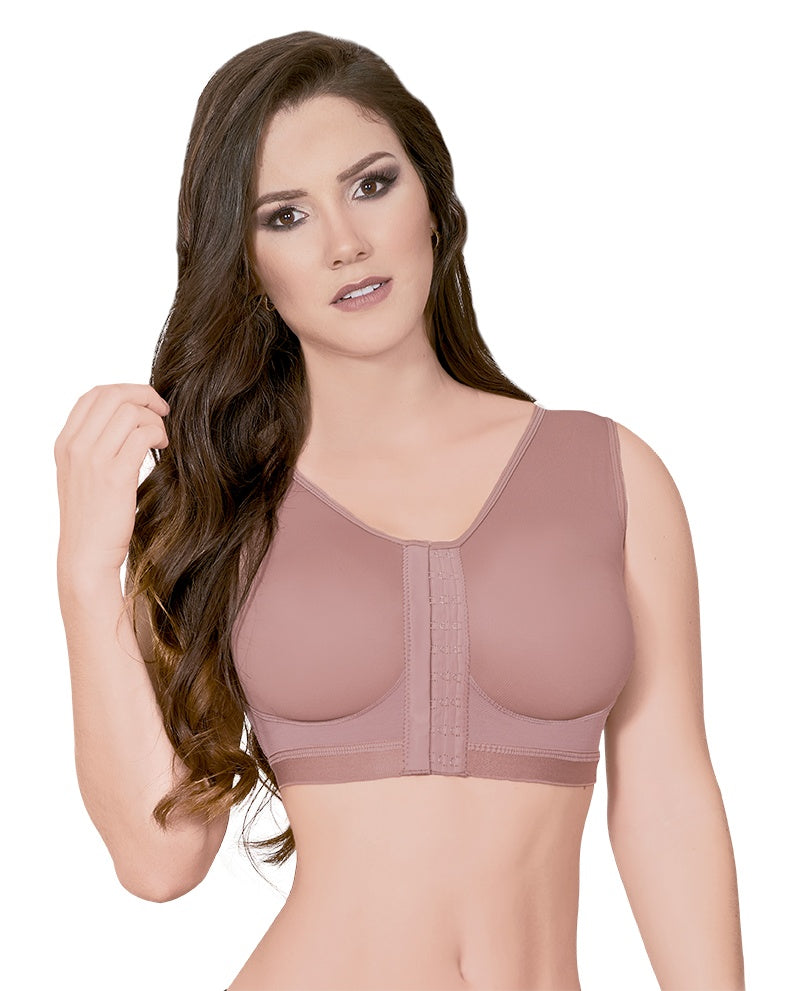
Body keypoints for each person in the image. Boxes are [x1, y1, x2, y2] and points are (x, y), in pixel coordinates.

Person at [54, 30, 746, 991]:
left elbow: (667, 797)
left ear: (433, 197)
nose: (344, 242)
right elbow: (160, 859)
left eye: (371, 185)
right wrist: (85, 573)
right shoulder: (222, 506)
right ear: (246, 262)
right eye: (286, 215)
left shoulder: (611, 473)